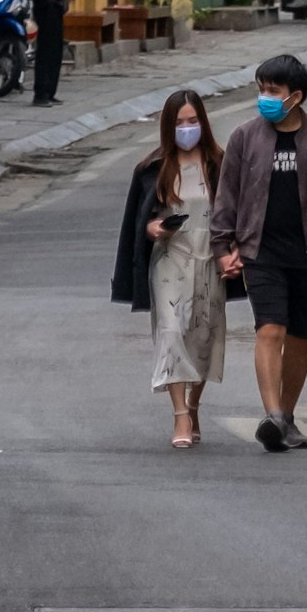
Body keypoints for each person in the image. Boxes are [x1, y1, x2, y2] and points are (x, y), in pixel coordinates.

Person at [210, 53, 307, 453]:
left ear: (296, 97)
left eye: (273, 91)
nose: (264, 98)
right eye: (261, 90)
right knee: (269, 329)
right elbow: (228, 195)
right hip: (261, 251)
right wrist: (223, 246)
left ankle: (286, 417)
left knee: (299, 335)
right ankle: (271, 414)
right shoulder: (244, 137)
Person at [110, 87, 230, 448]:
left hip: (209, 259)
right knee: (172, 331)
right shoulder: (151, 169)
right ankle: (179, 414)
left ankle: (194, 404)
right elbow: (139, 221)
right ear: (168, 127)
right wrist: (153, 228)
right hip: (169, 259)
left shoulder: (220, 164)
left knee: (203, 337)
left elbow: (237, 213)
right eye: (180, 123)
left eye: (193, 121)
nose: (187, 128)